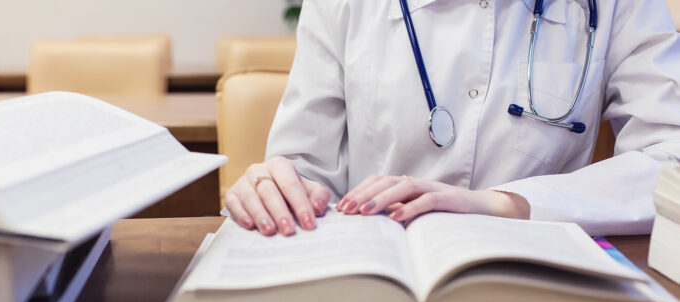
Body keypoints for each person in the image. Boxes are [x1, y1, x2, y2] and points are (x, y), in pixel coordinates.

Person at [224, 0, 680, 237]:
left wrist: (508, 203)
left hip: (534, 269)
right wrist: (277, 190)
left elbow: (672, 159)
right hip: (376, 277)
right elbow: (305, 172)